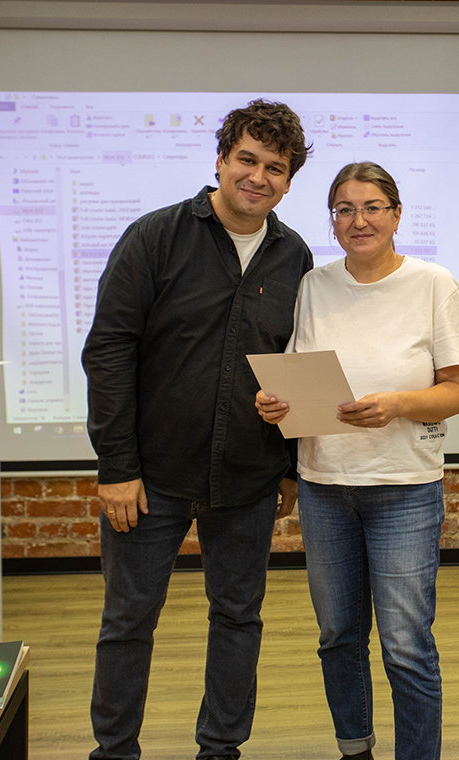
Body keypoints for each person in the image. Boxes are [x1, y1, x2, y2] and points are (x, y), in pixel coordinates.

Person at [82, 99, 312, 760]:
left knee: (238, 618)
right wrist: (116, 468)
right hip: (151, 476)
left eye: (275, 167)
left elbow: (294, 364)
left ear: (288, 181)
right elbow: (109, 352)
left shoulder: (294, 255)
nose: (258, 177)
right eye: (247, 159)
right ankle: (114, 752)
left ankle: (221, 750)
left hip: (247, 476)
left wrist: (289, 466)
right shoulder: (155, 237)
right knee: (129, 620)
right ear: (220, 160)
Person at [256, 162, 459, 760]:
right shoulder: (313, 285)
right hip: (324, 486)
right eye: (345, 210)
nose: (359, 220)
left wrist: (399, 404)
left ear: (396, 215)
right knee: (338, 636)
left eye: (373, 207)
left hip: (405, 490)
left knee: (405, 645)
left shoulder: (435, 285)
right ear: (332, 221)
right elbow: (295, 377)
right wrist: (274, 404)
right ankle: (355, 750)